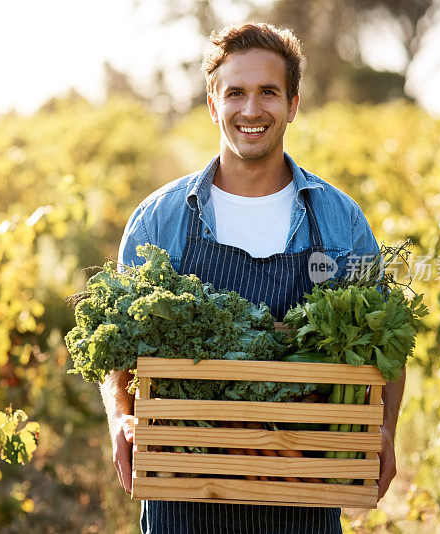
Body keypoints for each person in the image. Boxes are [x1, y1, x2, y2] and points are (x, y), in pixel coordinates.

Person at [100, 21, 405, 533]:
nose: (251, 109)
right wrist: (119, 418)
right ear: (213, 105)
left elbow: (385, 342)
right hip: (184, 492)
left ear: (293, 104)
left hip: (303, 489)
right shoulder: (161, 219)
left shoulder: (339, 219)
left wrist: (386, 430)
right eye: (235, 93)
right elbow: (116, 349)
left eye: (268, 92)